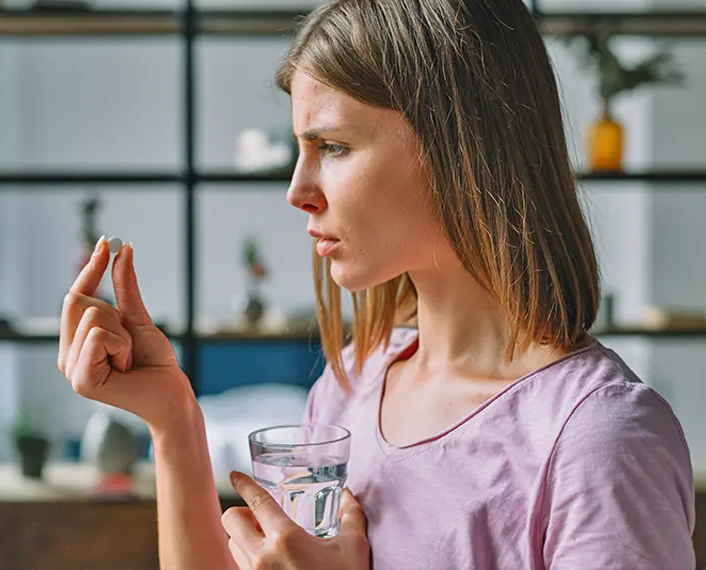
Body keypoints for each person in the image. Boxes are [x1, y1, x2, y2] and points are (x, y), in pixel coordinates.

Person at [58, 0, 696, 568]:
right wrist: (172, 416)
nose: (297, 192)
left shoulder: (599, 440)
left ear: (460, 145)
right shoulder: (351, 385)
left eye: (332, 146)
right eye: (300, 150)